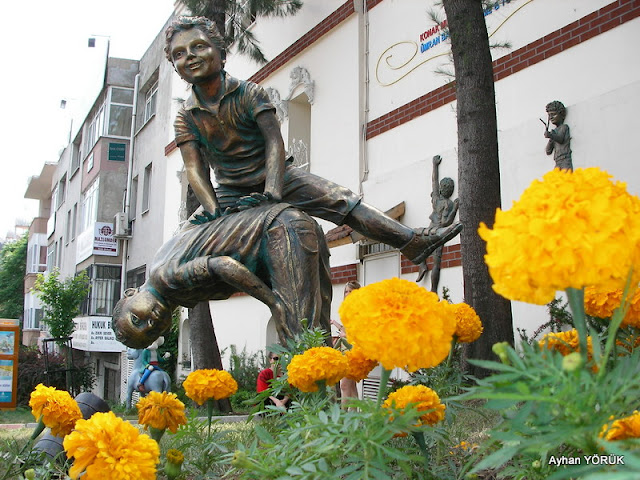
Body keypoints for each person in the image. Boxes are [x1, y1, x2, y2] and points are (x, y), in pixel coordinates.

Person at [164, 16, 462, 268]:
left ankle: (411, 241)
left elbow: (274, 143)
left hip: (277, 176)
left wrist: (272, 192)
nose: (189, 56)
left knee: (341, 199)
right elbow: (195, 170)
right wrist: (213, 211)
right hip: (229, 190)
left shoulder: (250, 93)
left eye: (198, 46)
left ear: (221, 54)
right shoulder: (185, 116)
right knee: (179, 245)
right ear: (176, 67)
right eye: (179, 54)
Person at [113, 203, 332, 349]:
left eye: (136, 319)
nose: (150, 324)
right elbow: (201, 216)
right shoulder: (162, 262)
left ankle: (313, 406)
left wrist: (274, 303)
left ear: (130, 293)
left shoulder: (165, 279)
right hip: (292, 225)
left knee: (299, 337)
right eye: (150, 333)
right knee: (320, 334)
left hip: (280, 233)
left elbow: (223, 265)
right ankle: (328, 405)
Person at [416, 155, 460, 293]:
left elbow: (434, 181)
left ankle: (423, 265)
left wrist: (434, 165)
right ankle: (433, 289)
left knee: (419, 244)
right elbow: (446, 222)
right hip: (439, 233)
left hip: (432, 230)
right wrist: (454, 209)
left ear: (441, 189)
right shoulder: (448, 204)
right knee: (436, 263)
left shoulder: (436, 200)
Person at [330, 281, 361, 409]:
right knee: (351, 386)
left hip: (352, 349)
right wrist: (335, 323)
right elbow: (346, 330)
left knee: (344, 385)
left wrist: (346, 335)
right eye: (346, 291)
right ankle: (354, 416)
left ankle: (342, 415)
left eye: (350, 291)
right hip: (345, 348)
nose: (347, 294)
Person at [543, 100, 573, 171]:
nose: (551, 117)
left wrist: (551, 136)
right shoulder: (554, 132)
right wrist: (551, 139)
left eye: (553, 114)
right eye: (549, 116)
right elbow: (548, 151)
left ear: (561, 114)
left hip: (565, 160)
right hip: (557, 161)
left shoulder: (564, 127)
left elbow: (561, 139)